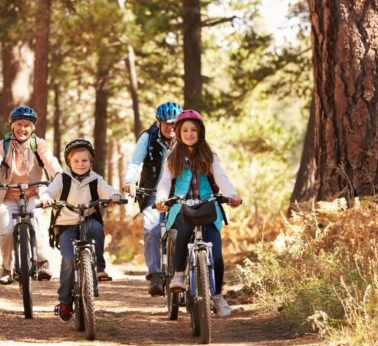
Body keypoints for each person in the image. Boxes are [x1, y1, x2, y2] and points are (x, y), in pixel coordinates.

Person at [155, 110, 241, 317]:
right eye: (185, 130)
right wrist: (161, 198)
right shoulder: (172, 158)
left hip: (207, 207)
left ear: (200, 132)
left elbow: (220, 177)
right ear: (178, 132)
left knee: (217, 255)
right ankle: (178, 274)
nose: (189, 133)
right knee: (182, 231)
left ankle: (218, 296)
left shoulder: (209, 156)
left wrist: (231, 195)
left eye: (193, 130)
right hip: (181, 207)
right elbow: (166, 181)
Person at [0, 105, 62, 285]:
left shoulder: (39, 144)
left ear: (33, 128)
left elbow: (50, 161)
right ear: (12, 125)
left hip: (35, 192)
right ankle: (7, 267)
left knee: (36, 218)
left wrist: (59, 175)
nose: (23, 129)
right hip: (8, 195)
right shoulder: (2, 145)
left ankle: (42, 262)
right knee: (6, 231)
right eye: (19, 124)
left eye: (27, 125)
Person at [39, 138, 122, 321]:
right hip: (66, 226)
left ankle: (99, 266)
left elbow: (107, 190)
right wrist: (46, 198)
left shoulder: (95, 179)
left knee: (97, 228)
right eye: (76, 161)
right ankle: (65, 302)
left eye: (85, 160)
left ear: (91, 161)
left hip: (88, 220)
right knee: (68, 260)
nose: (80, 164)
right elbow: (50, 191)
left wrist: (114, 196)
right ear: (69, 162)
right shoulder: (62, 178)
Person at [123, 101, 182, 296]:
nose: (170, 127)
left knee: (186, 232)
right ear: (159, 122)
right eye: (166, 123)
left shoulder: (186, 137)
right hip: (152, 193)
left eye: (174, 123)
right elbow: (135, 162)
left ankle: (188, 275)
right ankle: (155, 274)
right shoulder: (148, 138)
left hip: (179, 194)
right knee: (152, 229)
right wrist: (130, 181)